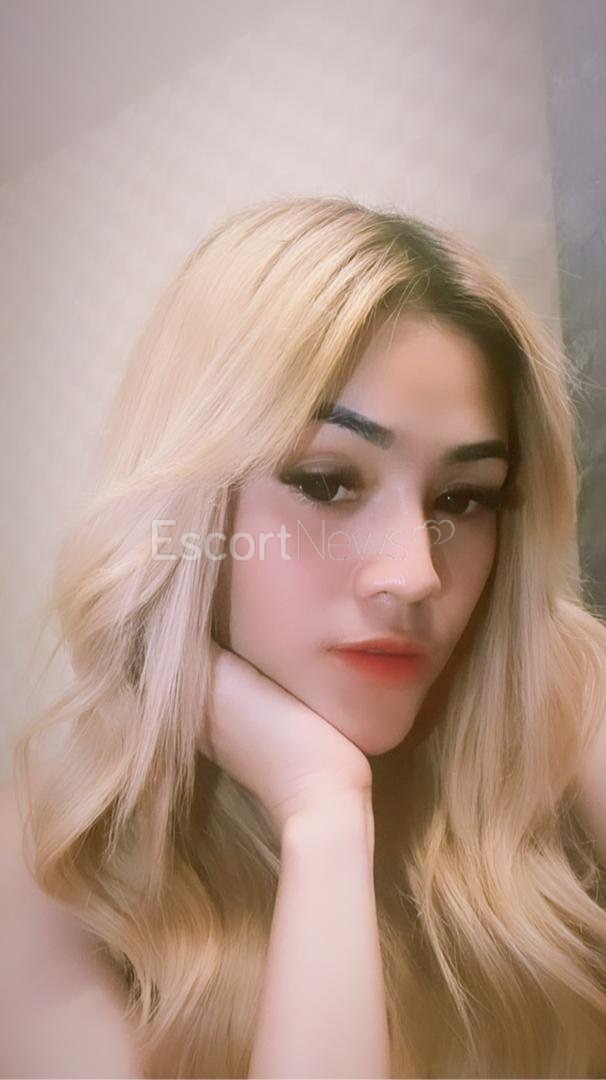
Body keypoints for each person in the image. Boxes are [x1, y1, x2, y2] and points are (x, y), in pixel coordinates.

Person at [2, 194, 606, 1079]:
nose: (414, 574)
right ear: (190, 506)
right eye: (325, 482)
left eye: (464, 498)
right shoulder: (53, 854)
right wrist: (322, 813)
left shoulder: (569, 693)